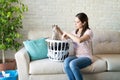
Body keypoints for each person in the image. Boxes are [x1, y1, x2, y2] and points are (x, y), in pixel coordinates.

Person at [61, 12, 93, 80]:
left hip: (87, 57)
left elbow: (79, 40)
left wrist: (68, 33)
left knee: (73, 64)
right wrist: (61, 33)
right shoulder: (74, 32)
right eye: (75, 22)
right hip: (77, 56)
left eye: (77, 22)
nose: (75, 24)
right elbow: (66, 37)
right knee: (66, 61)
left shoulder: (88, 32)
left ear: (84, 22)